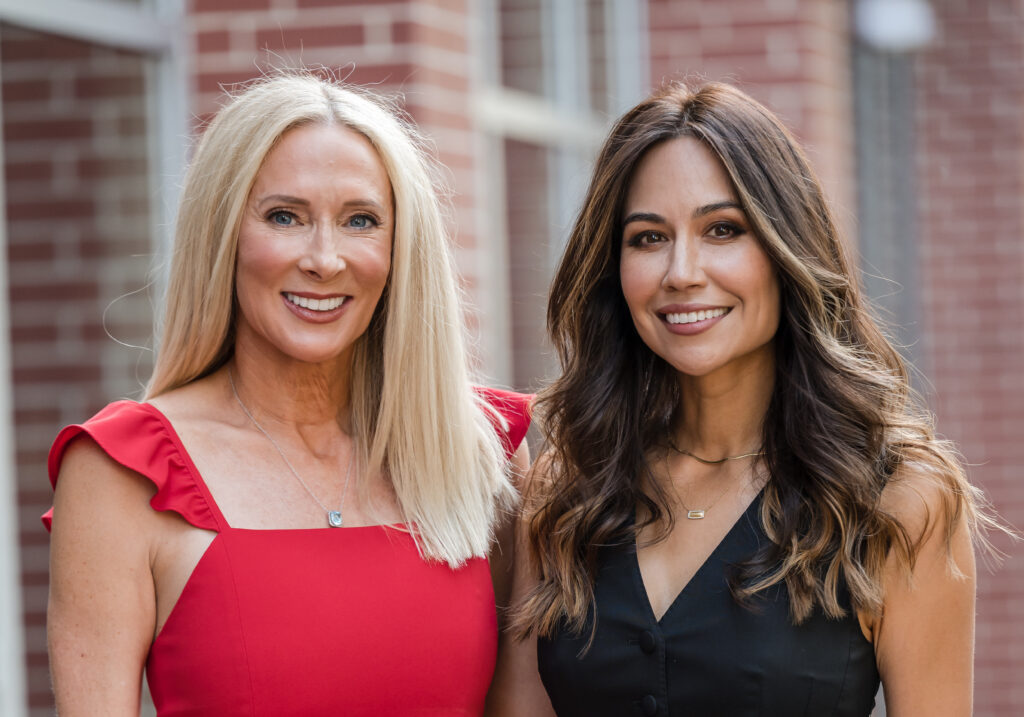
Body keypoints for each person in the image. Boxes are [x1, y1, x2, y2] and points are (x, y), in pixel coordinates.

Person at [487, 82, 1000, 716]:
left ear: (787, 249)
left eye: (723, 229)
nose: (681, 272)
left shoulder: (897, 499)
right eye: (648, 237)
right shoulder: (568, 489)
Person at [45, 73, 530, 716]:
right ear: (223, 236)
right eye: (284, 217)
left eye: (360, 220)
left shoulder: (482, 453)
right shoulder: (126, 472)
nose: (325, 259)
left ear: (399, 248)